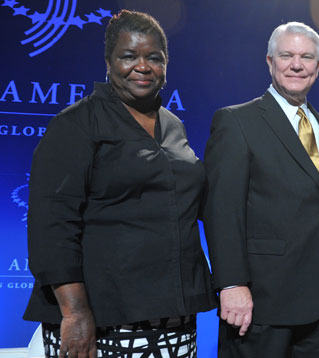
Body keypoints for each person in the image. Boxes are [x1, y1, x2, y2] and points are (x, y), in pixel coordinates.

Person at [23, 10, 216, 358]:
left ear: (166, 64)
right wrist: (75, 312)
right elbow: (51, 225)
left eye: (153, 58)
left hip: (171, 319)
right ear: (109, 62)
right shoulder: (76, 124)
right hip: (102, 320)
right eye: (129, 56)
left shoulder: (173, 124)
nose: (142, 66)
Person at [203, 22, 319, 358]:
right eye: (287, 55)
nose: (296, 64)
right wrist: (231, 283)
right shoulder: (236, 121)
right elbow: (221, 211)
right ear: (270, 61)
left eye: (306, 57)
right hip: (261, 301)